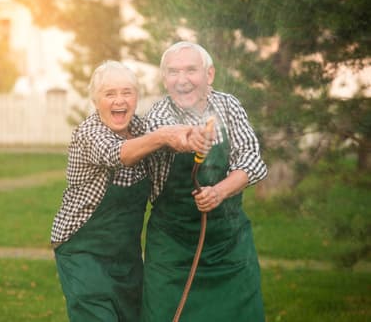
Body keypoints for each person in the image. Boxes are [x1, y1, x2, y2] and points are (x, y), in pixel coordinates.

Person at [51, 60, 212, 322]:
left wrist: (191, 136)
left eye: (127, 92)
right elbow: (120, 154)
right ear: (95, 100)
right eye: (110, 94)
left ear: (136, 98)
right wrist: (163, 137)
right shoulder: (89, 132)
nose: (119, 101)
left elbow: (169, 142)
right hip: (83, 252)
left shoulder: (141, 129)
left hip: (126, 256)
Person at [141, 41, 268, 321]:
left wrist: (220, 191)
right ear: (164, 79)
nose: (182, 80)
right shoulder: (158, 116)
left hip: (229, 244)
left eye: (190, 70)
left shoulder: (228, 105)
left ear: (209, 75)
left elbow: (253, 161)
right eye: (173, 72)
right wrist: (188, 139)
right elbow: (167, 135)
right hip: (172, 250)